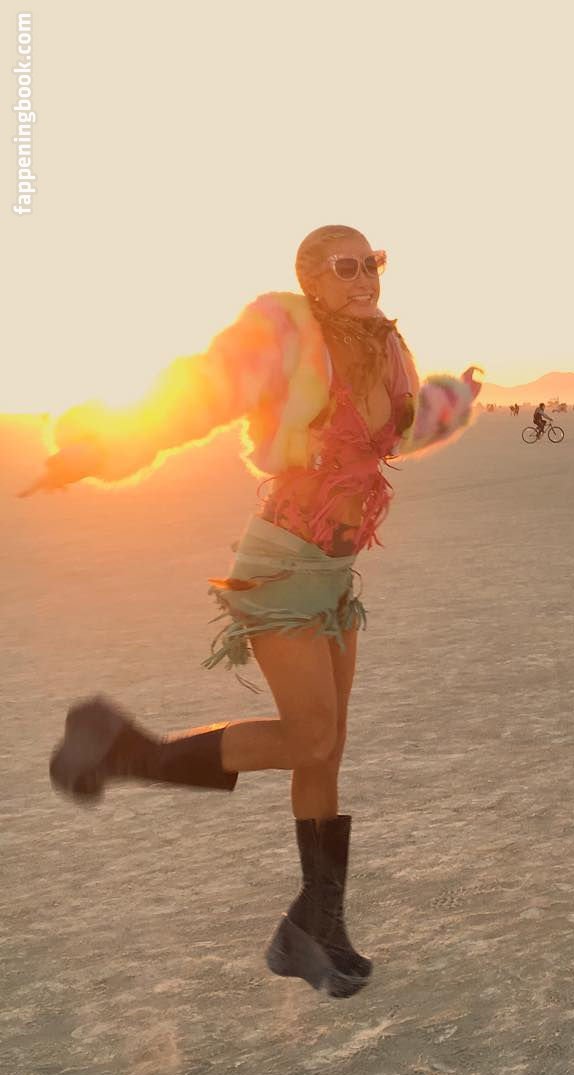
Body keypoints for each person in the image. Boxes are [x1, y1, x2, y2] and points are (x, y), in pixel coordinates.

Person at [25, 225, 482, 997]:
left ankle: (317, 928)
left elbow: (405, 426)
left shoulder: (386, 348)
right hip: (282, 564)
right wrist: (107, 443)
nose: (365, 277)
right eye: (346, 266)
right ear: (311, 278)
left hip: (332, 576)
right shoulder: (287, 339)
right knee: (310, 735)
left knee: (324, 753)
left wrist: (458, 397)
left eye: (372, 263)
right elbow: (200, 393)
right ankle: (126, 751)